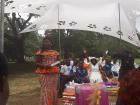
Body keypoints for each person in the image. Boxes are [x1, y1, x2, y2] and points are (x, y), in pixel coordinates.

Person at [35, 36, 59, 105]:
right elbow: (37, 63)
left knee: (53, 89)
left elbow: (57, 62)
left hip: (54, 74)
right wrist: (46, 66)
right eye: (44, 42)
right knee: (46, 90)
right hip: (44, 73)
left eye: (48, 42)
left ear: (51, 43)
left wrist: (58, 63)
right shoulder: (40, 52)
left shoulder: (56, 53)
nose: (46, 43)